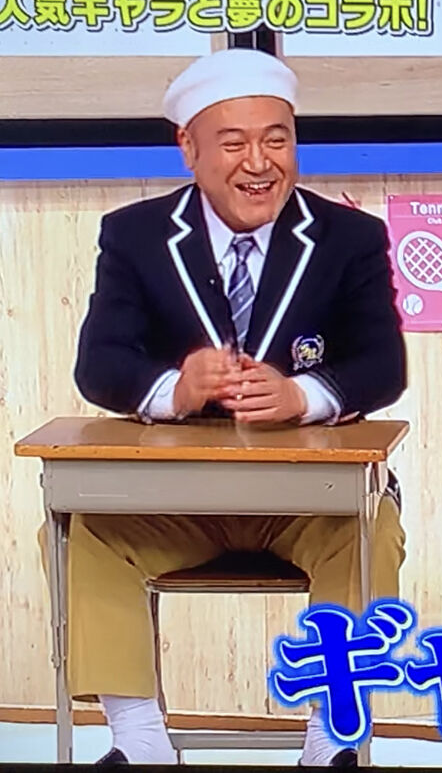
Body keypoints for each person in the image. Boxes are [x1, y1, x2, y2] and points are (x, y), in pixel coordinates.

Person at [38, 49, 408, 768]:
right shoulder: (135, 236)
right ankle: (139, 739)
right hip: (176, 502)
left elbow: (381, 365)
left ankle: (330, 738)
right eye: (234, 143)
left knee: (368, 531)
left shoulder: (348, 239)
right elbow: (99, 364)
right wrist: (174, 390)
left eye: (277, 140)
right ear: (189, 147)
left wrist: (303, 395)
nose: (259, 164)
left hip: (307, 501)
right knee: (85, 532)